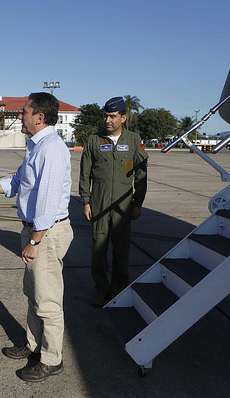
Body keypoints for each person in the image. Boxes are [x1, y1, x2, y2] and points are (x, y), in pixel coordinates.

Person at [0, 92, 73, 383]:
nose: (19, 116)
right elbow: (17, 181)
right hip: (35, 230)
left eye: (23, 112)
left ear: (39, 117)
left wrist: (34, 242)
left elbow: (48, 204)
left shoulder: (51, 149)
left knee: (47, 300)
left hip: (45, 233)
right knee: (33, 293)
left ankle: (51, 359)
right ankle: (33, 344)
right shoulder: (36, 146)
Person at [79, 96, 148, 308]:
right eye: (105, 115)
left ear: (123, 118)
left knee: (121, 252)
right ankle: (101, 290)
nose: (107, 120)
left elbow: (141, 174)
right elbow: (85, 174)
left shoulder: (134, 141)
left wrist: (138, 203)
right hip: (98, 205)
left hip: (123, 207)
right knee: (98, 252)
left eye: (112, 116)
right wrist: (86, 201)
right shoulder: (93, 140)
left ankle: (118, 291)